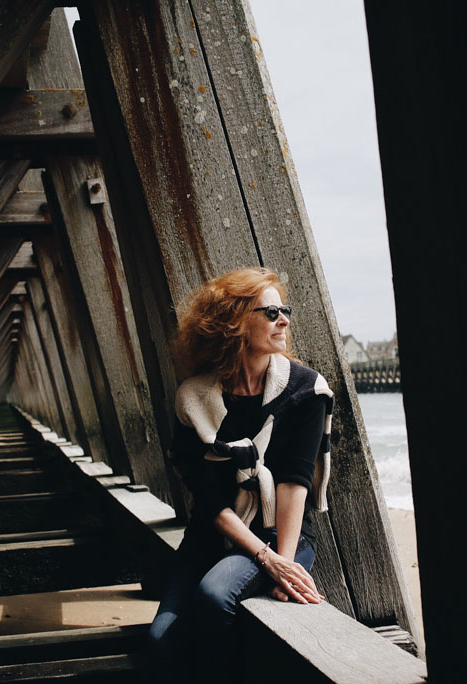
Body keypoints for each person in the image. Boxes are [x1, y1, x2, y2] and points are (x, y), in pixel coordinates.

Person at [148, 267, 334, 678]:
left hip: (280, 532)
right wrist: (261, 557)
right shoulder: (194, 399)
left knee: (216, 596)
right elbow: (208, 498)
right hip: (214, 534)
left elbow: (293, 484)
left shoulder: (306, 391)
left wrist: (281, 564)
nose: (283, 320)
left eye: (284, 310)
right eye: (270, 312)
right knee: (161, 639)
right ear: (234, 322)